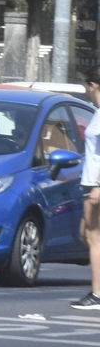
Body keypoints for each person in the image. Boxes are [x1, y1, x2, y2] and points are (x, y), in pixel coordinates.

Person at [74, 67, 100, 311]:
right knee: (85, 234)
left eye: (86, 87)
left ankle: (97, 294)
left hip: (95, 183)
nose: (86, 92)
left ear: (93, 86)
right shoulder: (97, 111)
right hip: (90, 182)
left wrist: (98, 186)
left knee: (94, 238)